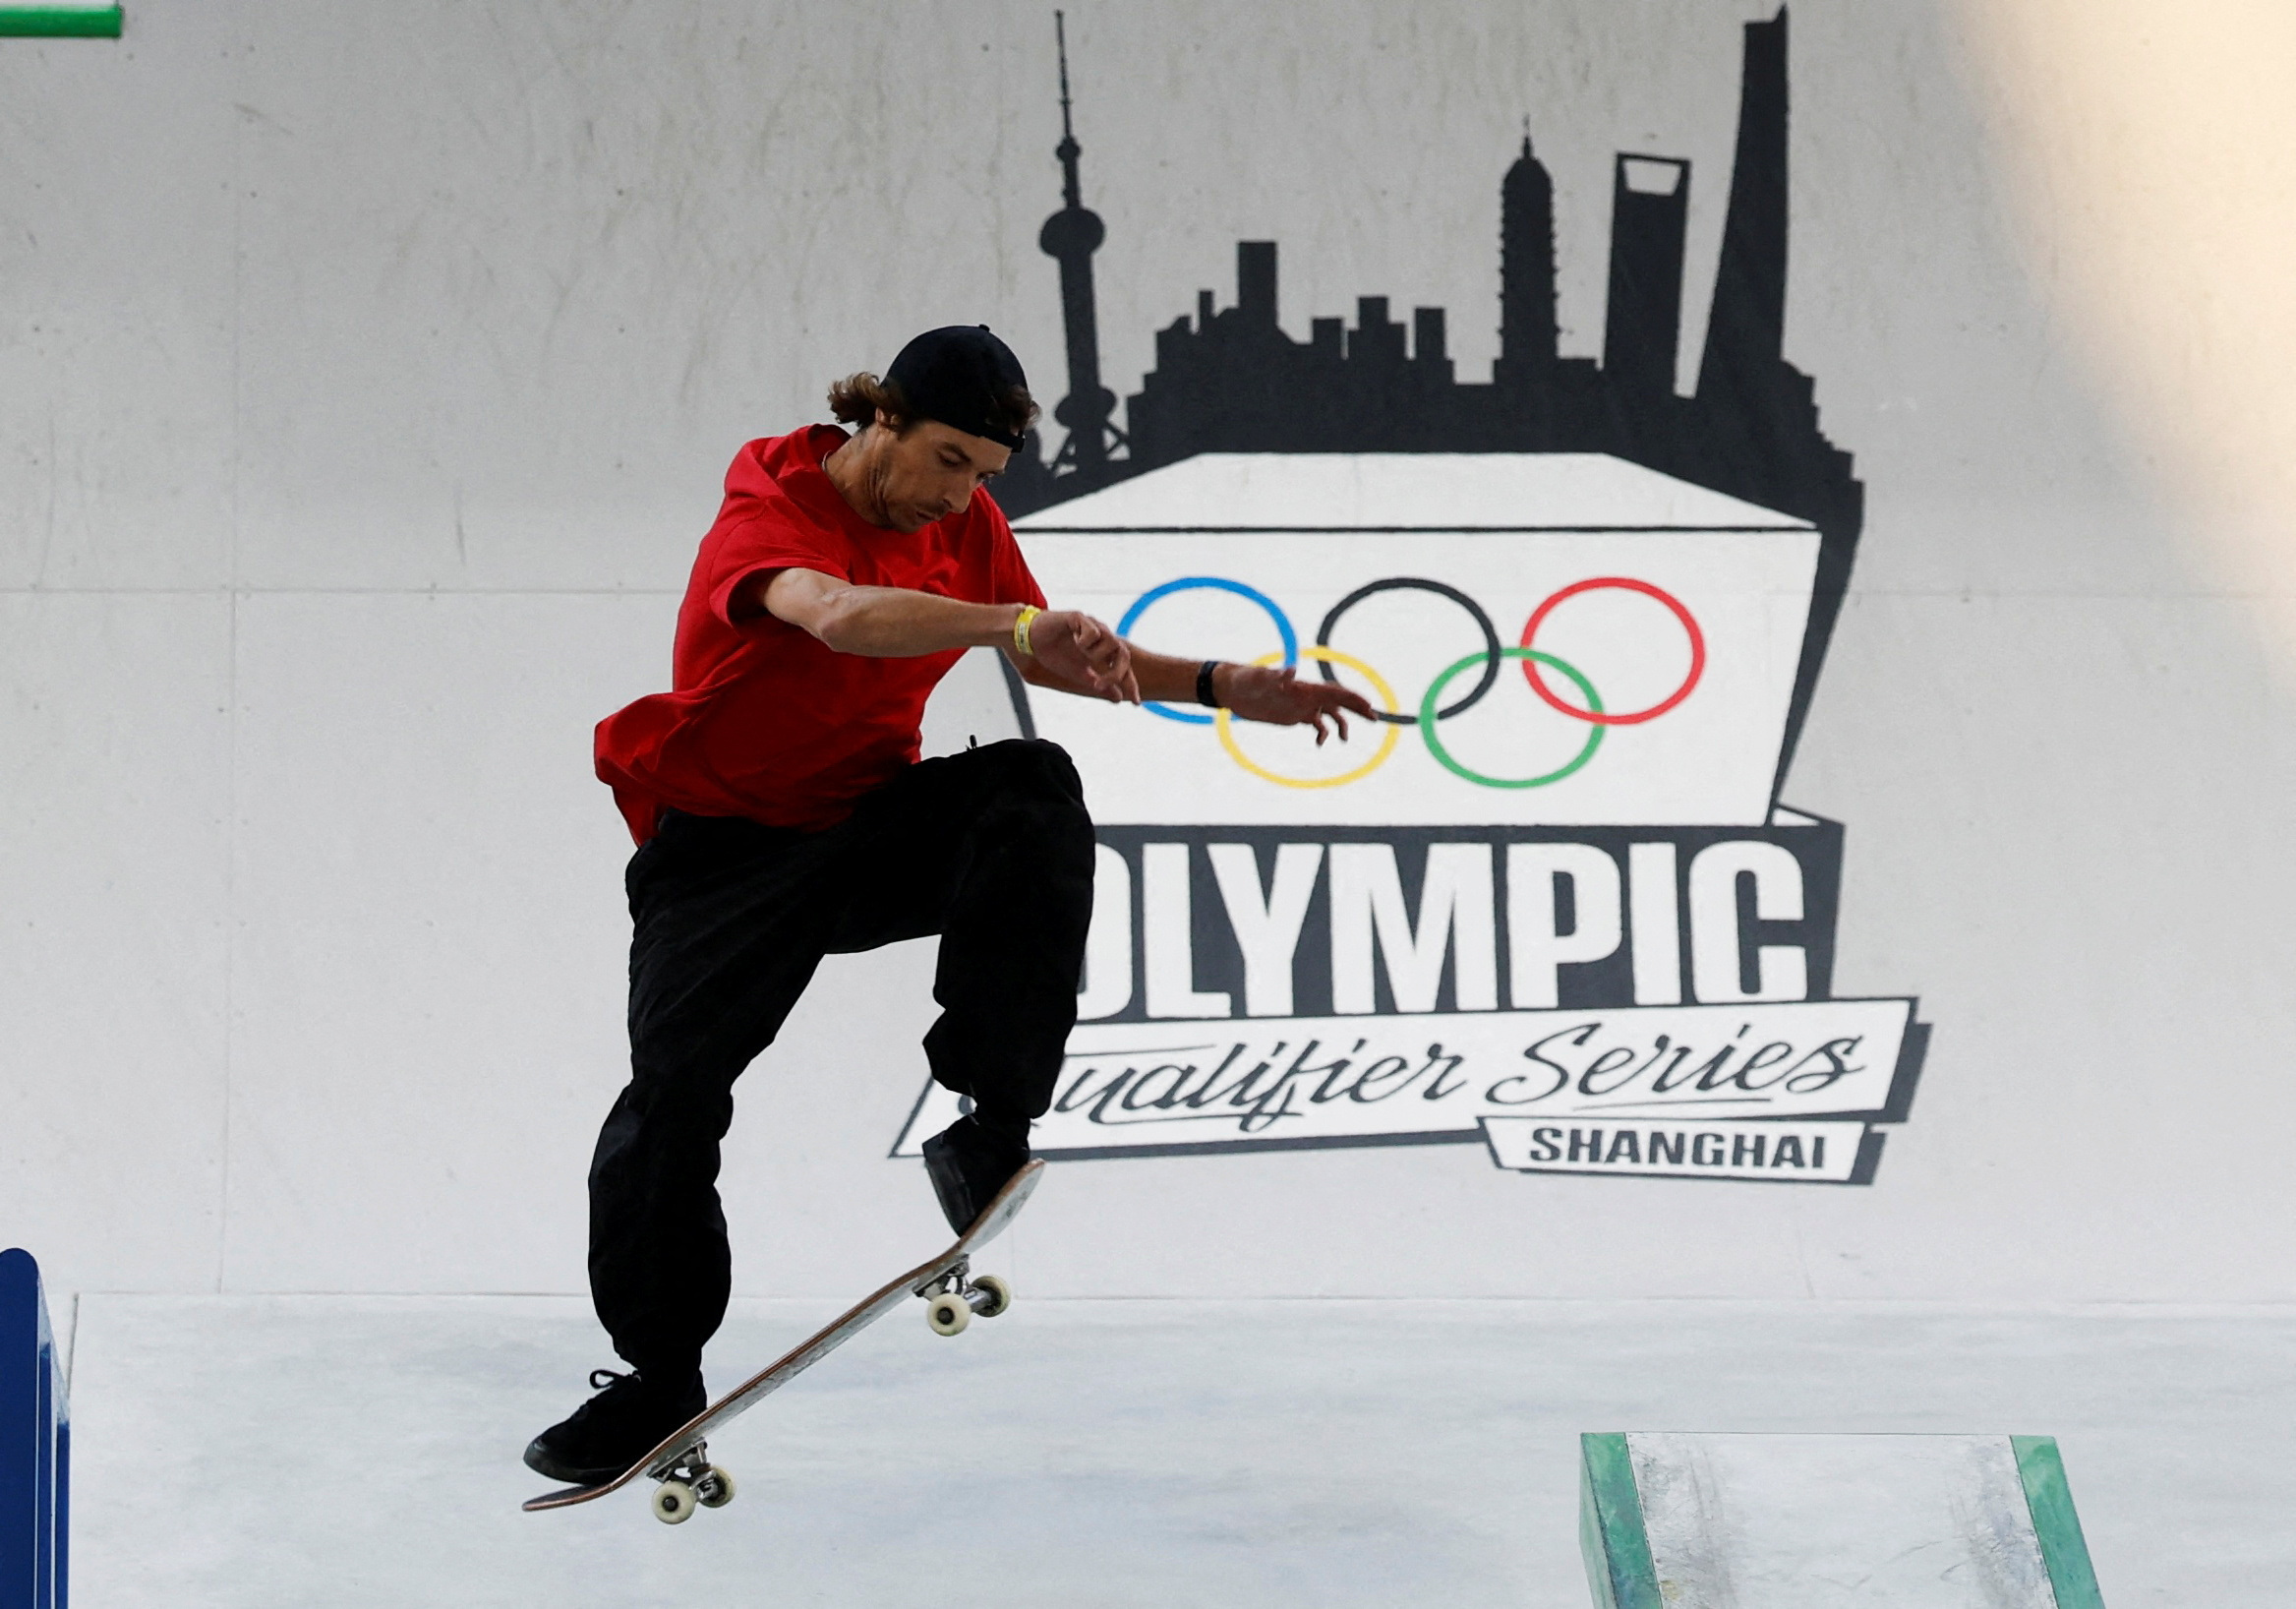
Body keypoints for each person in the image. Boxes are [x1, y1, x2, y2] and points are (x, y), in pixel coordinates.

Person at [521, 326, 1373, 1485]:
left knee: (1031, 790)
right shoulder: (770, 504)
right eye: (946, 460)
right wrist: (1011, 627)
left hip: (864, 831)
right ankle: (657, 1376)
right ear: (881, 421)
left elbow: (1064, 655)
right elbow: (839, 615)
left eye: (981, 474)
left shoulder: (963, 526)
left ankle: (987, 1122)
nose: (958, 496)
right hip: (719, 858)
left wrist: (1224, 686)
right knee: (668, 1110)